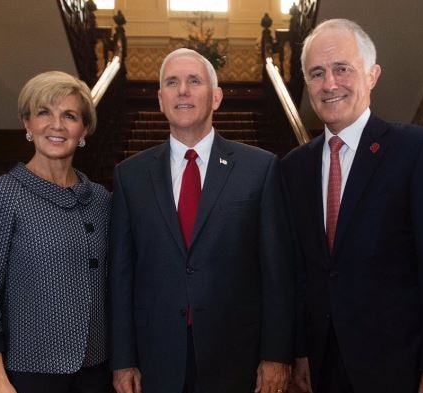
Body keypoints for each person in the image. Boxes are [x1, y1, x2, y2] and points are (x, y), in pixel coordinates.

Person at [281, 19, 423, 393]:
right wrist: (300, 351)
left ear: (372, 75)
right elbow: (298, 271)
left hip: (400, 366)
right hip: (322, 364)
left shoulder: (416, 151)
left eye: (342, 69)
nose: (329, 84)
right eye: (316, 73)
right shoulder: (293, 167)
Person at [109, 48, 294, 393]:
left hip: (237, 356)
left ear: (216, 97)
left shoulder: (260, 168)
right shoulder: (129, 175)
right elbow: (121, 275)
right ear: (160, 99)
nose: (183, 90)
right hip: (156, 357)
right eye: (172, 82)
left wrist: (276, 355)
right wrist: (123, 359)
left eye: (194, 81)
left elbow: (276, 271)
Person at [0, 71, 112, 393]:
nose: (56, 125)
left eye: (69, 116)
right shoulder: (4, 193)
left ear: (83, 129)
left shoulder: (101, 199)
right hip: (29, 370)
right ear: (28, 124)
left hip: (97, 369)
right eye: (44, 112)